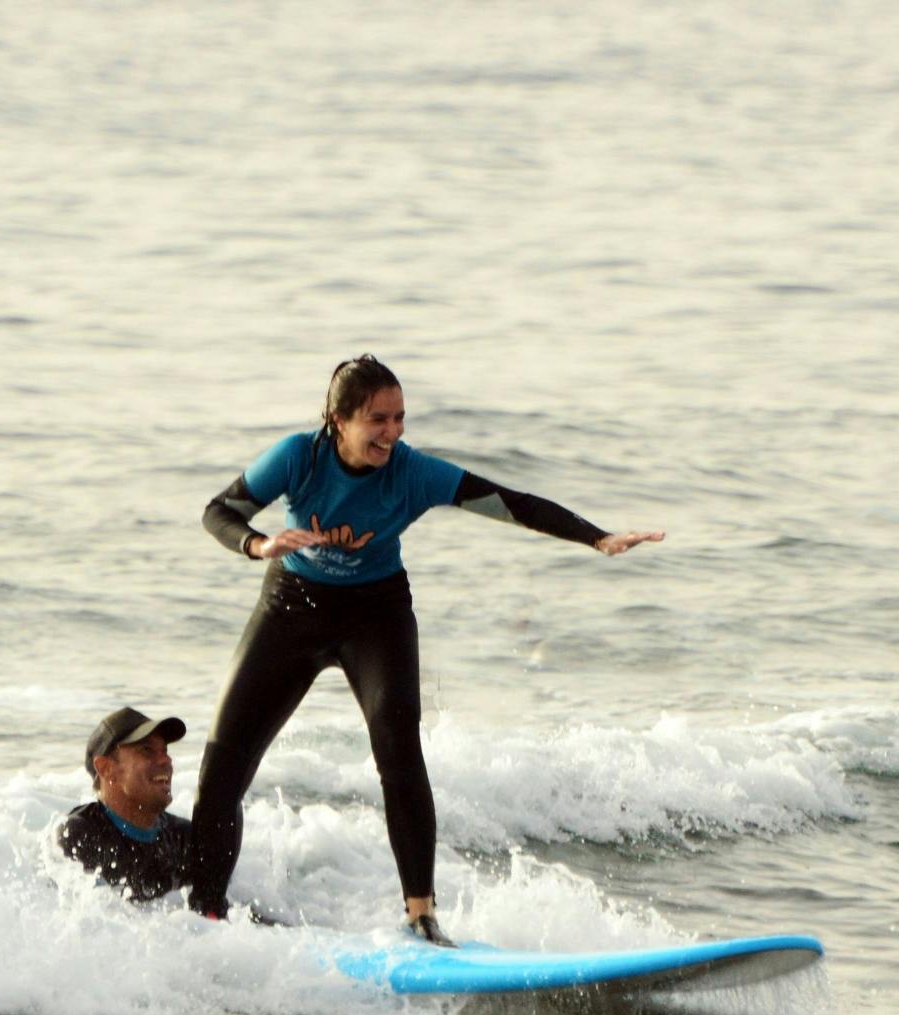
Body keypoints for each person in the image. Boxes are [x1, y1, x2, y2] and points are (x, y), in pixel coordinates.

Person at [193, 355, 665, 944]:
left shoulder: (413, 473)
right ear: (338, 420)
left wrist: (597, 537)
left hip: (375, 614)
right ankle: (205, 912)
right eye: (377, 419)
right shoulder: (297, 457)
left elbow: (510, 502)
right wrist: (257, 544)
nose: (391, 432)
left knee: (399, 752)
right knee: (224, 760)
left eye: (399, 418)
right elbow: (219, 512)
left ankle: (421, 915)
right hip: (292, 606)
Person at [56, 707, 208, 910]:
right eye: (147, 750)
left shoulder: (184, 838)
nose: (166, 760)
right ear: (106, 768)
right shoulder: (80, 836)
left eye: (165, 751)